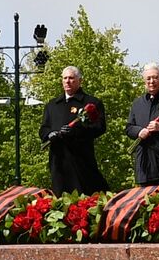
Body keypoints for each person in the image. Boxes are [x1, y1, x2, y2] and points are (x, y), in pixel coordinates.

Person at [40, 66, 109, 194]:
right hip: (59, 161)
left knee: (84, 196)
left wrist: (77, 131)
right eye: (65, 78)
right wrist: (50, 134)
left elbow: (99, 127)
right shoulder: (52, 105)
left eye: (71, 78)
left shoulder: (91, 103)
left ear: (79, 81)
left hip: (81, 159)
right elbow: (44, 128)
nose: (67, 81)